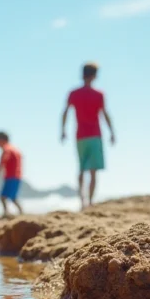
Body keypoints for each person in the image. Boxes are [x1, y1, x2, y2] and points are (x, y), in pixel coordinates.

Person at [61, 62, 115, 208]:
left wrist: (63, 130)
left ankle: (82, 201)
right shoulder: (99, 94)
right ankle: (89, 202)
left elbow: (65, 112)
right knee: (93, 172)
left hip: (80, 136)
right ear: (95, 75)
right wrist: (112, 132)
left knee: (81, 169)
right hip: (95, 136)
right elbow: (105, 114)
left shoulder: (74, 93)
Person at [0, 131, 23, 215]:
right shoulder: (15, 149)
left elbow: (2, 163)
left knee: (3, 197)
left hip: (11, 177)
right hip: (17, 176)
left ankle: (6, 213)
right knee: (13, 197)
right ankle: (20, 212)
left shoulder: (7, 149)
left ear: (1, 140)